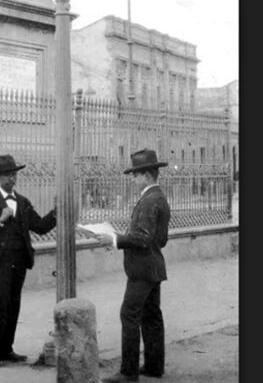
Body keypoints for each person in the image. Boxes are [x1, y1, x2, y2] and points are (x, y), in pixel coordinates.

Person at [0, 154, 56, 370]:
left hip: (19, 261)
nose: (11, 179)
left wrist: (57, 212)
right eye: (7, 175)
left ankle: (7, 350)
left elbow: (40, 226)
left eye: (14, 174)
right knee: (1, 305)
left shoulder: (23, 202)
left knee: (14, 305)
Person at [93, 149, 171, 382]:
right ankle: (154, 366)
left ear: (147, 175)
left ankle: (128, 372)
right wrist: (120, 238)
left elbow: (143, 236)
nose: (133, 179)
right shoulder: (159, 197)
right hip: (154, 267)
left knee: (129, 314)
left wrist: (115, 239)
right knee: (151, 316)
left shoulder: (149, 200)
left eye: (135, 175)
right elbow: (160, 239)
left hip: (142, 270)